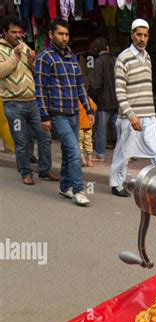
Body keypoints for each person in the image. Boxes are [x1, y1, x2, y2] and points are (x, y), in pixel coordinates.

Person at [110, 18, 156, 197]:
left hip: (149, 115)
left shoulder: (147, 58)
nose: (142, 38)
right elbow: (120, 92)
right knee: (124, 153)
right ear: (132, 35)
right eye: (138, 34)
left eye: (145, 35)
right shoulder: (123, 58)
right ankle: (116, 183)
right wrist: (131, 115)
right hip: (129, 117)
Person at [36, 18, 94, 206]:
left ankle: (64, 187)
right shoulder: (45, 57)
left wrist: (88, 109)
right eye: (60, 34)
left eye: (66, 34)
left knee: (68, 151)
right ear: (51, 35)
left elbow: (80, 86)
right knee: (74, 151)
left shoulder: (71, 56)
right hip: (57, 114)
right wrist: (44, 116)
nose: (64, 38)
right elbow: (40, 88)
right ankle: (78, 190)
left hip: (74, 113)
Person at [0, 15, 58, 185]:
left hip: (33, 101)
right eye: (13, 32)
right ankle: (26, 172)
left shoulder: (24, 46)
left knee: (44, 136)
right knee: (22, 140)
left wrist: (33, 61)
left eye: (20, 32)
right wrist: (16, 56)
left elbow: (35, 72)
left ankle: (45, 169)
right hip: (13, 103)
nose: (18, 35)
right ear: (4, 32)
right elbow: (2, 72)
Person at [88, 37, 118, 162]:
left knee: (101, 129)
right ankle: (127, 154)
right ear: (107, 48)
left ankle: (100, 154)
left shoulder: (98, 62)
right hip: (117, 101)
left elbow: (95, 85)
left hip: (103, 102)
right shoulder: (114, 61)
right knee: (119, 129)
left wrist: (92, 98)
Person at [79, 95, 97, 166]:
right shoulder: (88, 99)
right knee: (88, 142)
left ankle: (83, 159)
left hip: (79, 126)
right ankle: (90, 161)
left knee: (79, 143)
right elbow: (95, 107)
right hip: (88, 125)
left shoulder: (76, 100)